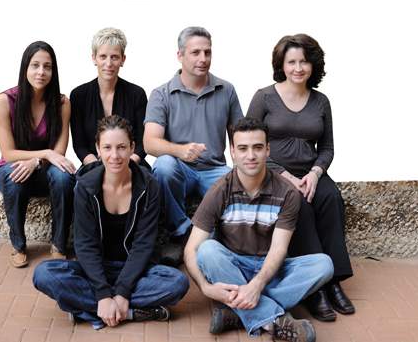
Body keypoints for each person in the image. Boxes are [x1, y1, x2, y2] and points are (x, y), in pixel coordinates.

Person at [184, 117, 333, 341]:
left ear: (267, 150)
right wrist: (205, 288)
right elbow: (190, 250)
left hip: (271, 269)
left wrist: (257, 285)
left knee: (324, 264)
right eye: (243, 148)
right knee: (207, 251)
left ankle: (236, 311)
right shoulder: (219, 191)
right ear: (232, 152)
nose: (251, 155)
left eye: (257, 148)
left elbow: (279, 249)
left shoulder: (287, 192)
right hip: (233, 268)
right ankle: (274, 321)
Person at [33, 116, 189, 330]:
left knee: (177, 282)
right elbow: (85, 246)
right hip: (96, 269)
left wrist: (122, 292)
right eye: (107, 147)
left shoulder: (149, 186)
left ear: (132, 147)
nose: (114, 155)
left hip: (136, 268)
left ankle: (88, 311)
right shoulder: (85, 187)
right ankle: (130, 312)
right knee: (44, 274)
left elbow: (144, 245)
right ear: (98, 149)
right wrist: (104, 294)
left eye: (122, 147)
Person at [246, 34, 355, 322]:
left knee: (331, 199)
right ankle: (315, 287)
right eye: (291, 62)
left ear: (313, 65)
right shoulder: (264, 97)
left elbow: (328, 148)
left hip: (312, 173)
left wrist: (316, 173)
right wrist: (284, 175)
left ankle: (333, 280)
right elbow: (246, 142)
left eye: (304, 62)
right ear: (281, 65)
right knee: (300, 207)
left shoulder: (321, 101)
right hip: (273, 173)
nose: (298, 68)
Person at [144, 26, 243, 265]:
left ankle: (223, 245)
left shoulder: (226, 90)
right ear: (180, 55)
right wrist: (180, 151)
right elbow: (149, 142)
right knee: (164, 166)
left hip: (215, 169)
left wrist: (242, 167)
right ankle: (182, 232)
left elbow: (240, 136)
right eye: (195, 52)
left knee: (240, 180)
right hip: (181, 170)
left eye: (207, 52)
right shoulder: (162, 94)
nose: (203, 59)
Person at [0, 41, 76, 268]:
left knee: (64, 176)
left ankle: (59, 244)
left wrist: (38, 161)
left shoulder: (61, 103)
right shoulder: (5, 101)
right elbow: (9, 153)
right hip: (12, 168)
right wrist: (39, 156)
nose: (41, 72)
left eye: (47, 67)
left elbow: (59, 152)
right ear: (25, 68)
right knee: (15, 174)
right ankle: (18, 245)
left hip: (45, 171)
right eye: (35, 65)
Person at [70, 27, 149, 169]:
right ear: (94, 58)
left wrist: (124, 165)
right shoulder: (78, 95)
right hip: (93, 164)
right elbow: (80, 145)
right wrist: (97, 168)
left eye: (114, 57)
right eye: (103, 56)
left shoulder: (137, 94)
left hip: (131, 164)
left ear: (123, 59)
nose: (109, 63)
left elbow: (143, 143)